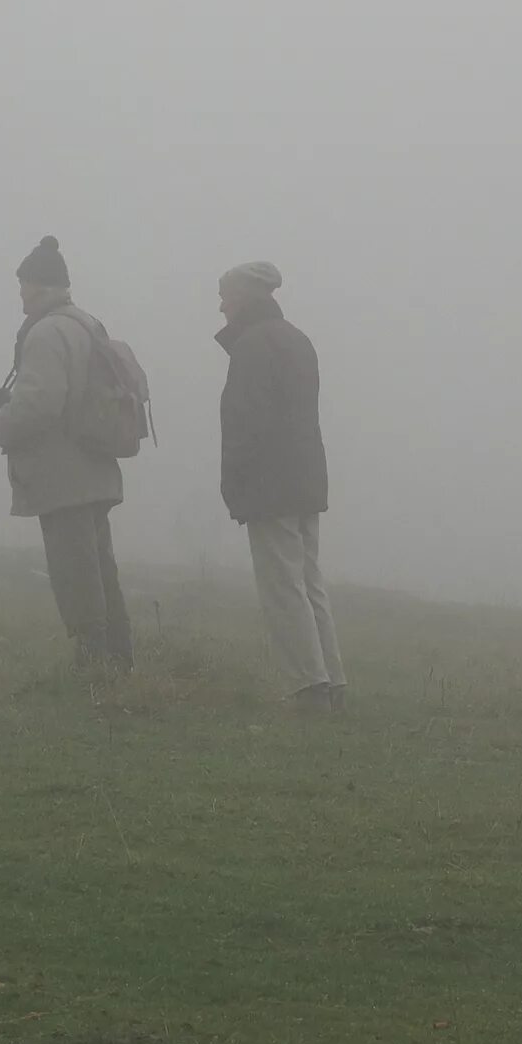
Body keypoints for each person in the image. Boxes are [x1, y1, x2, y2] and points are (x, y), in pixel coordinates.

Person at [0, 236, 134, 673]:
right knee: (99, 565)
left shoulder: (45, 333)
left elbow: (37, 407)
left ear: (40, 287)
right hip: (96, 465)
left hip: (63, 474)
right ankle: (120, 659)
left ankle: (93, 664)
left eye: (23, 284)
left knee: (73, 568)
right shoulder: (86, 324)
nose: (20, 294)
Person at [216, 259, 340, 710]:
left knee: (282, 587)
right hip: (306, 476)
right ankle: (332, 679)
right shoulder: (297, 339)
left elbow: (247, 423)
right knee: (309, 582)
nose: (221, 307)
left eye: (225, 296)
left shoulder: (252, 346)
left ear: (246, 298)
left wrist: (235, 483)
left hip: (271, 482)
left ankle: (307, 687)